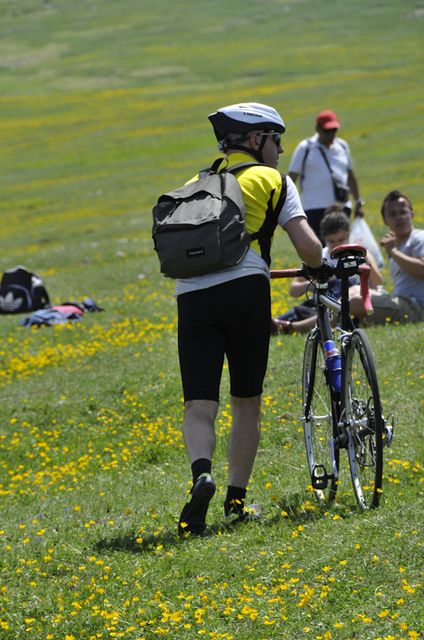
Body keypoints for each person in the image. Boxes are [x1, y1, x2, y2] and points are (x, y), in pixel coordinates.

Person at [175, 102, 323, 535]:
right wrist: (321, 263)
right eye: (277, 140)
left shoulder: (197, 183)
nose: (280, 150)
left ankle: (201, 474)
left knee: (198, 404)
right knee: (246, 401)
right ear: (257, 140)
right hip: (244, 290)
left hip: (191, 296)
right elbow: (308, 248)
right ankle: (235, 503)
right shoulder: (273, 179)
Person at [272, 204, 383, 335]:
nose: (337, 245)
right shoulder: (319, 257)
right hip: (320, 304)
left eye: (341, 240)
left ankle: (292, 327)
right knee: (298, 312)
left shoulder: (359, 254)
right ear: (324, 239)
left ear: (348, 235)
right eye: (331, 241)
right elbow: (293, 291)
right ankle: (278, 325)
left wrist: (366, 263)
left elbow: (378, 282)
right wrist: (316, 282)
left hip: (346, 304)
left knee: (341, 307)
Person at [288, 109, 365, 242]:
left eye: (334, 130)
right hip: (314, 209)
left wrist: (358, 201)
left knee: (343, 247)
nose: (331, 134)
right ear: (318, 129)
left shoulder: (342, 146)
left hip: (342, 208)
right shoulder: (305, 148)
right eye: (327, 131)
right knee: (319, 247)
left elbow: (351, 177)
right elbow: (291, 179)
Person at [350, 190, 424, 325]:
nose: (399, 217)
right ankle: (318, 322)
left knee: (356, 302)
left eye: (403, 212)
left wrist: (393, 251)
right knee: (353, 291)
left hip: (417, 307)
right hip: (402, 302)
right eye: (393, 214)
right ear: (385, 221)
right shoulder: (398, 243)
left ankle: (313, 324)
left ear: (412, 214)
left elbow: (422, 270)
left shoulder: (419, 238)